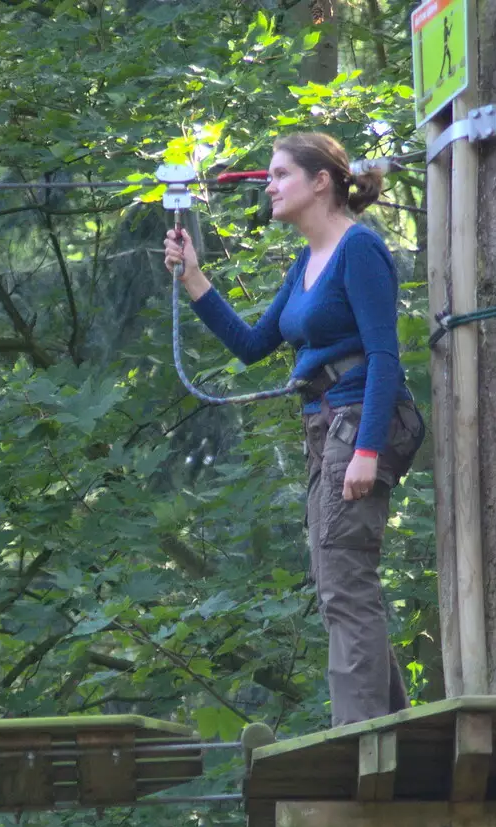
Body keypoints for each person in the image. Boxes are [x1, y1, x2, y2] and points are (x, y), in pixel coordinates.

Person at [163, 132, 426, 727]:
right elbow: (254, 345)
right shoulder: (304, 264)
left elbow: (385, 356)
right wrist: (194, 279)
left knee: (341, 581)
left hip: (359, 418)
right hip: (326, 427)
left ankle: (359, 737)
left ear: (320, 181)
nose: (269, 185)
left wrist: (366, 448)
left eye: (280, 174)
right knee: (339, 577)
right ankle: (390, 731)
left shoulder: (359, 250)